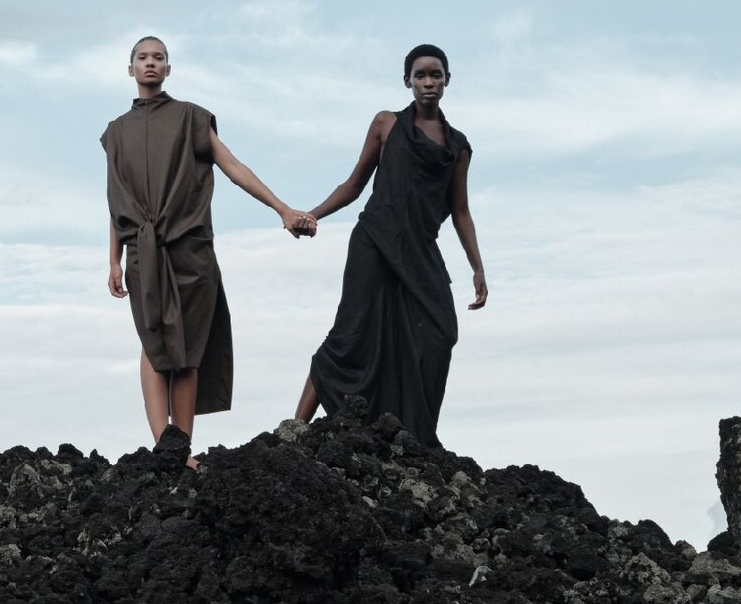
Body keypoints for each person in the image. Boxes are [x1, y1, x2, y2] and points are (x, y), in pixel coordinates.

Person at [104, 36, 312, 460]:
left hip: (190, 250)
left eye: (158, 57)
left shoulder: (191, 118)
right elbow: (117, 201)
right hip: (143, 252)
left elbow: (233, 166)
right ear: (130, 69)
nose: (150, 63)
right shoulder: (116, 132)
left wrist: (282, 209)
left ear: (168, 69)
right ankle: (164, 449)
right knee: (153, 341)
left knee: (188, 348)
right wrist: (114, 260)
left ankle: (182, 447)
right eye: (142, 57)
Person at [290, 43, 486, 448]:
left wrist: (477, 267)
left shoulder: (458, 147)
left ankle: (412, 435)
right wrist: (312, 214)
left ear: (447, 80)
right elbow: (354, 185)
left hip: (420, 250)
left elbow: (461, 211)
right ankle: (294, 430)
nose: (428, 82)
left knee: (440, 334)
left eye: (435, 75)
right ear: (407, 81)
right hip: (375, 243)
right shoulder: (386, 124)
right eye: (420, 75)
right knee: (349, 335)